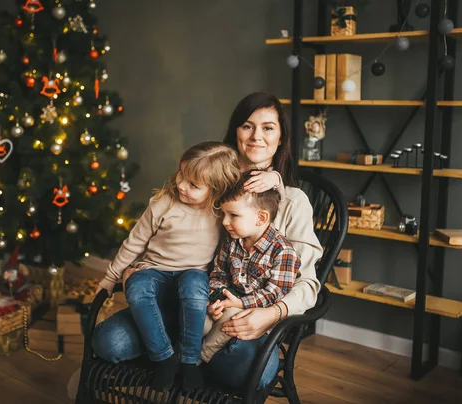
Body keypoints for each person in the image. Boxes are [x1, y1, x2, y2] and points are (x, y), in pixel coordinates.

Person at [85, 92, 323, 393]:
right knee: (107, 341)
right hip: (181, 299)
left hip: (241, 319)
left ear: (281, 138)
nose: (256, 136)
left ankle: (187, 359)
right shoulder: (205, 183)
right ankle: (176, 356)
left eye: (268, 128)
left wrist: (271, 314)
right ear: (235, 132)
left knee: (256, 372)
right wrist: (135, 268)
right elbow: (159, 234)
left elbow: (308, 284)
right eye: (247, 126)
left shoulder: (293, 202)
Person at [94, 141, 241, 392]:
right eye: (181, 174)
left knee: (194, 284)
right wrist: (109, 278)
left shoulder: (221, 214)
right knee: (138, 286)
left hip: (193, 276)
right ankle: (163, 358)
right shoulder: (163, 203)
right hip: (154, 271)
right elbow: (134, 243)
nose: (182, 185)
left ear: (216, 190)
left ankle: (189, 361)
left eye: (193, 185)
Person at [200, 170, 301, 363]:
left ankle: (200, 358)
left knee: (231, 317)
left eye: (233, 215)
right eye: (223, 214)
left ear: (261, 218)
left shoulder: (283, 251)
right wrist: (216, 298)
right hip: (228, 302)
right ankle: (183, 351)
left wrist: (239, 303)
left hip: (255, 314)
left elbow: (275, 293)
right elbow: (218, 272)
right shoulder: (232, 242)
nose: (225, 221)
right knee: (200, 318)